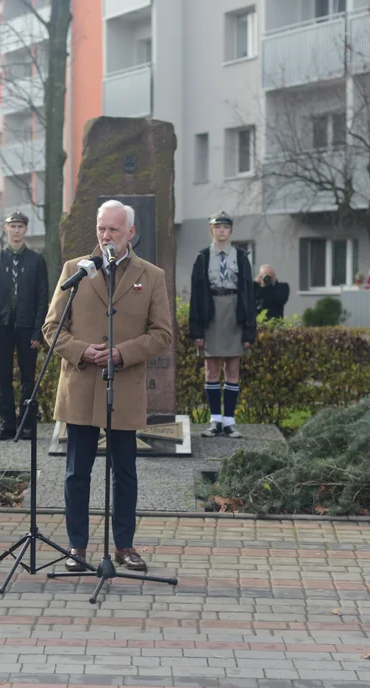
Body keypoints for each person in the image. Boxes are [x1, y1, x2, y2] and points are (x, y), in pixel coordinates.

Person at [44, 199, 173, 573]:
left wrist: (122, 353)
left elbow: (162, 333)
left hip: (125, 387)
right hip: (81, 385)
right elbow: (52, 329)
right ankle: (77, 547)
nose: (106, 236)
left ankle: (125, 546)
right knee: (76, 472)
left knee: (125, 472)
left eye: (113, 229)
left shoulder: (151, 276)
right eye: (101, 228)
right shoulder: (75, 270)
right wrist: (83, 350)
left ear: (131, 233)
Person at [188, 211, 256, 439]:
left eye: (225, 227)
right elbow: (196, 295)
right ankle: (215, 420)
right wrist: (196, 329)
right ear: (212, 230)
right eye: (218, 227)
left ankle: (229, 421)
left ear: (231, 231)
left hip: (234, 311)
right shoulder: (203, 257)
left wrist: (249, 329)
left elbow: (249, 293)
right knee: (212, 369)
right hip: (212, 311)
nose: (222, 231)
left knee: (233, 368)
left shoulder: (241, 256)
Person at [0, 210, 49, 440]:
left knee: (28, 378)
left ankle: (26, 425)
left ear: (26, 230)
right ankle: (7, 425)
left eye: (20, 226)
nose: (16, 231)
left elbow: (43, 299)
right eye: (13, 226)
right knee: (3, 378)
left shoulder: (36, 261)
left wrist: (38, 331)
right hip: (2, 326)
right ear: (6, 229)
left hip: (26, 327)